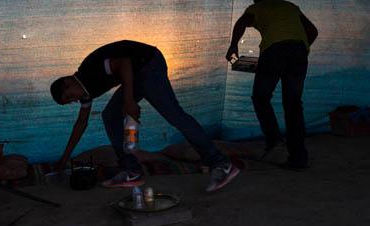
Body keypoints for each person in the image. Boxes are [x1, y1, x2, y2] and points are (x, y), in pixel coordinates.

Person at [50, 40, 240, 191]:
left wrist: (129, 101)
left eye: (69, 96)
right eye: (71, 102)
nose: (75, 100)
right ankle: (131, 170)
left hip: (148, 64)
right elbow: (81, 123)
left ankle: (221, 163)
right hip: (136, 73)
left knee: (175, 115)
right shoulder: (85, 91)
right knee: (110, 116)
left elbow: (124, 63)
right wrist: (64, 159)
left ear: (68, 82)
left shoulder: (89, 72)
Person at [226, 0, 318, 168]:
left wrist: (233, 46)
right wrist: (300, 47)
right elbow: (313, 32)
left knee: (261, 97)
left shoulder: (257, 7)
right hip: (299, 52)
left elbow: (242, 22)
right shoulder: (290, 6)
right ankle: (298, 158)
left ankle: (274, 140)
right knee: (293, 105)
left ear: (257, 1)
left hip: (274, 51)